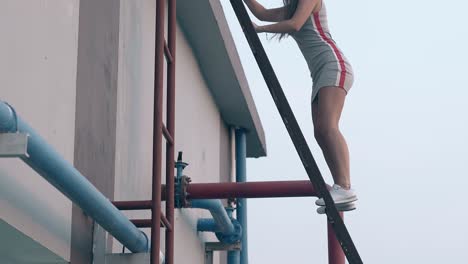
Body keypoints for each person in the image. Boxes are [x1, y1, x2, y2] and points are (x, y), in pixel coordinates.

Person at [243, 0, 357, 213]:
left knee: (329, 126)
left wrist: (258, 30)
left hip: (333, 65)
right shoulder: (294, 7)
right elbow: (262, 13)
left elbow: (294, 25)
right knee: (320, 131)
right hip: (320, 72)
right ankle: (342, 190)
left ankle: (345, 185)